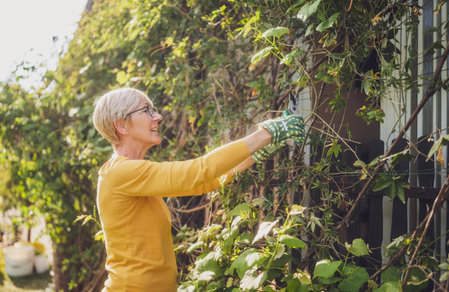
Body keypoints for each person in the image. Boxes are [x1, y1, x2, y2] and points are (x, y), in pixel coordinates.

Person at [92, 87, 304, 291]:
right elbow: (198, 171)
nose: (157, 117)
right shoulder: (120, 173)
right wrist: (267, 133)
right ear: (122, 126)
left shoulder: (132, 175)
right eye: (147, 110)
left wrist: (255, 155)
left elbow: (205, 183)